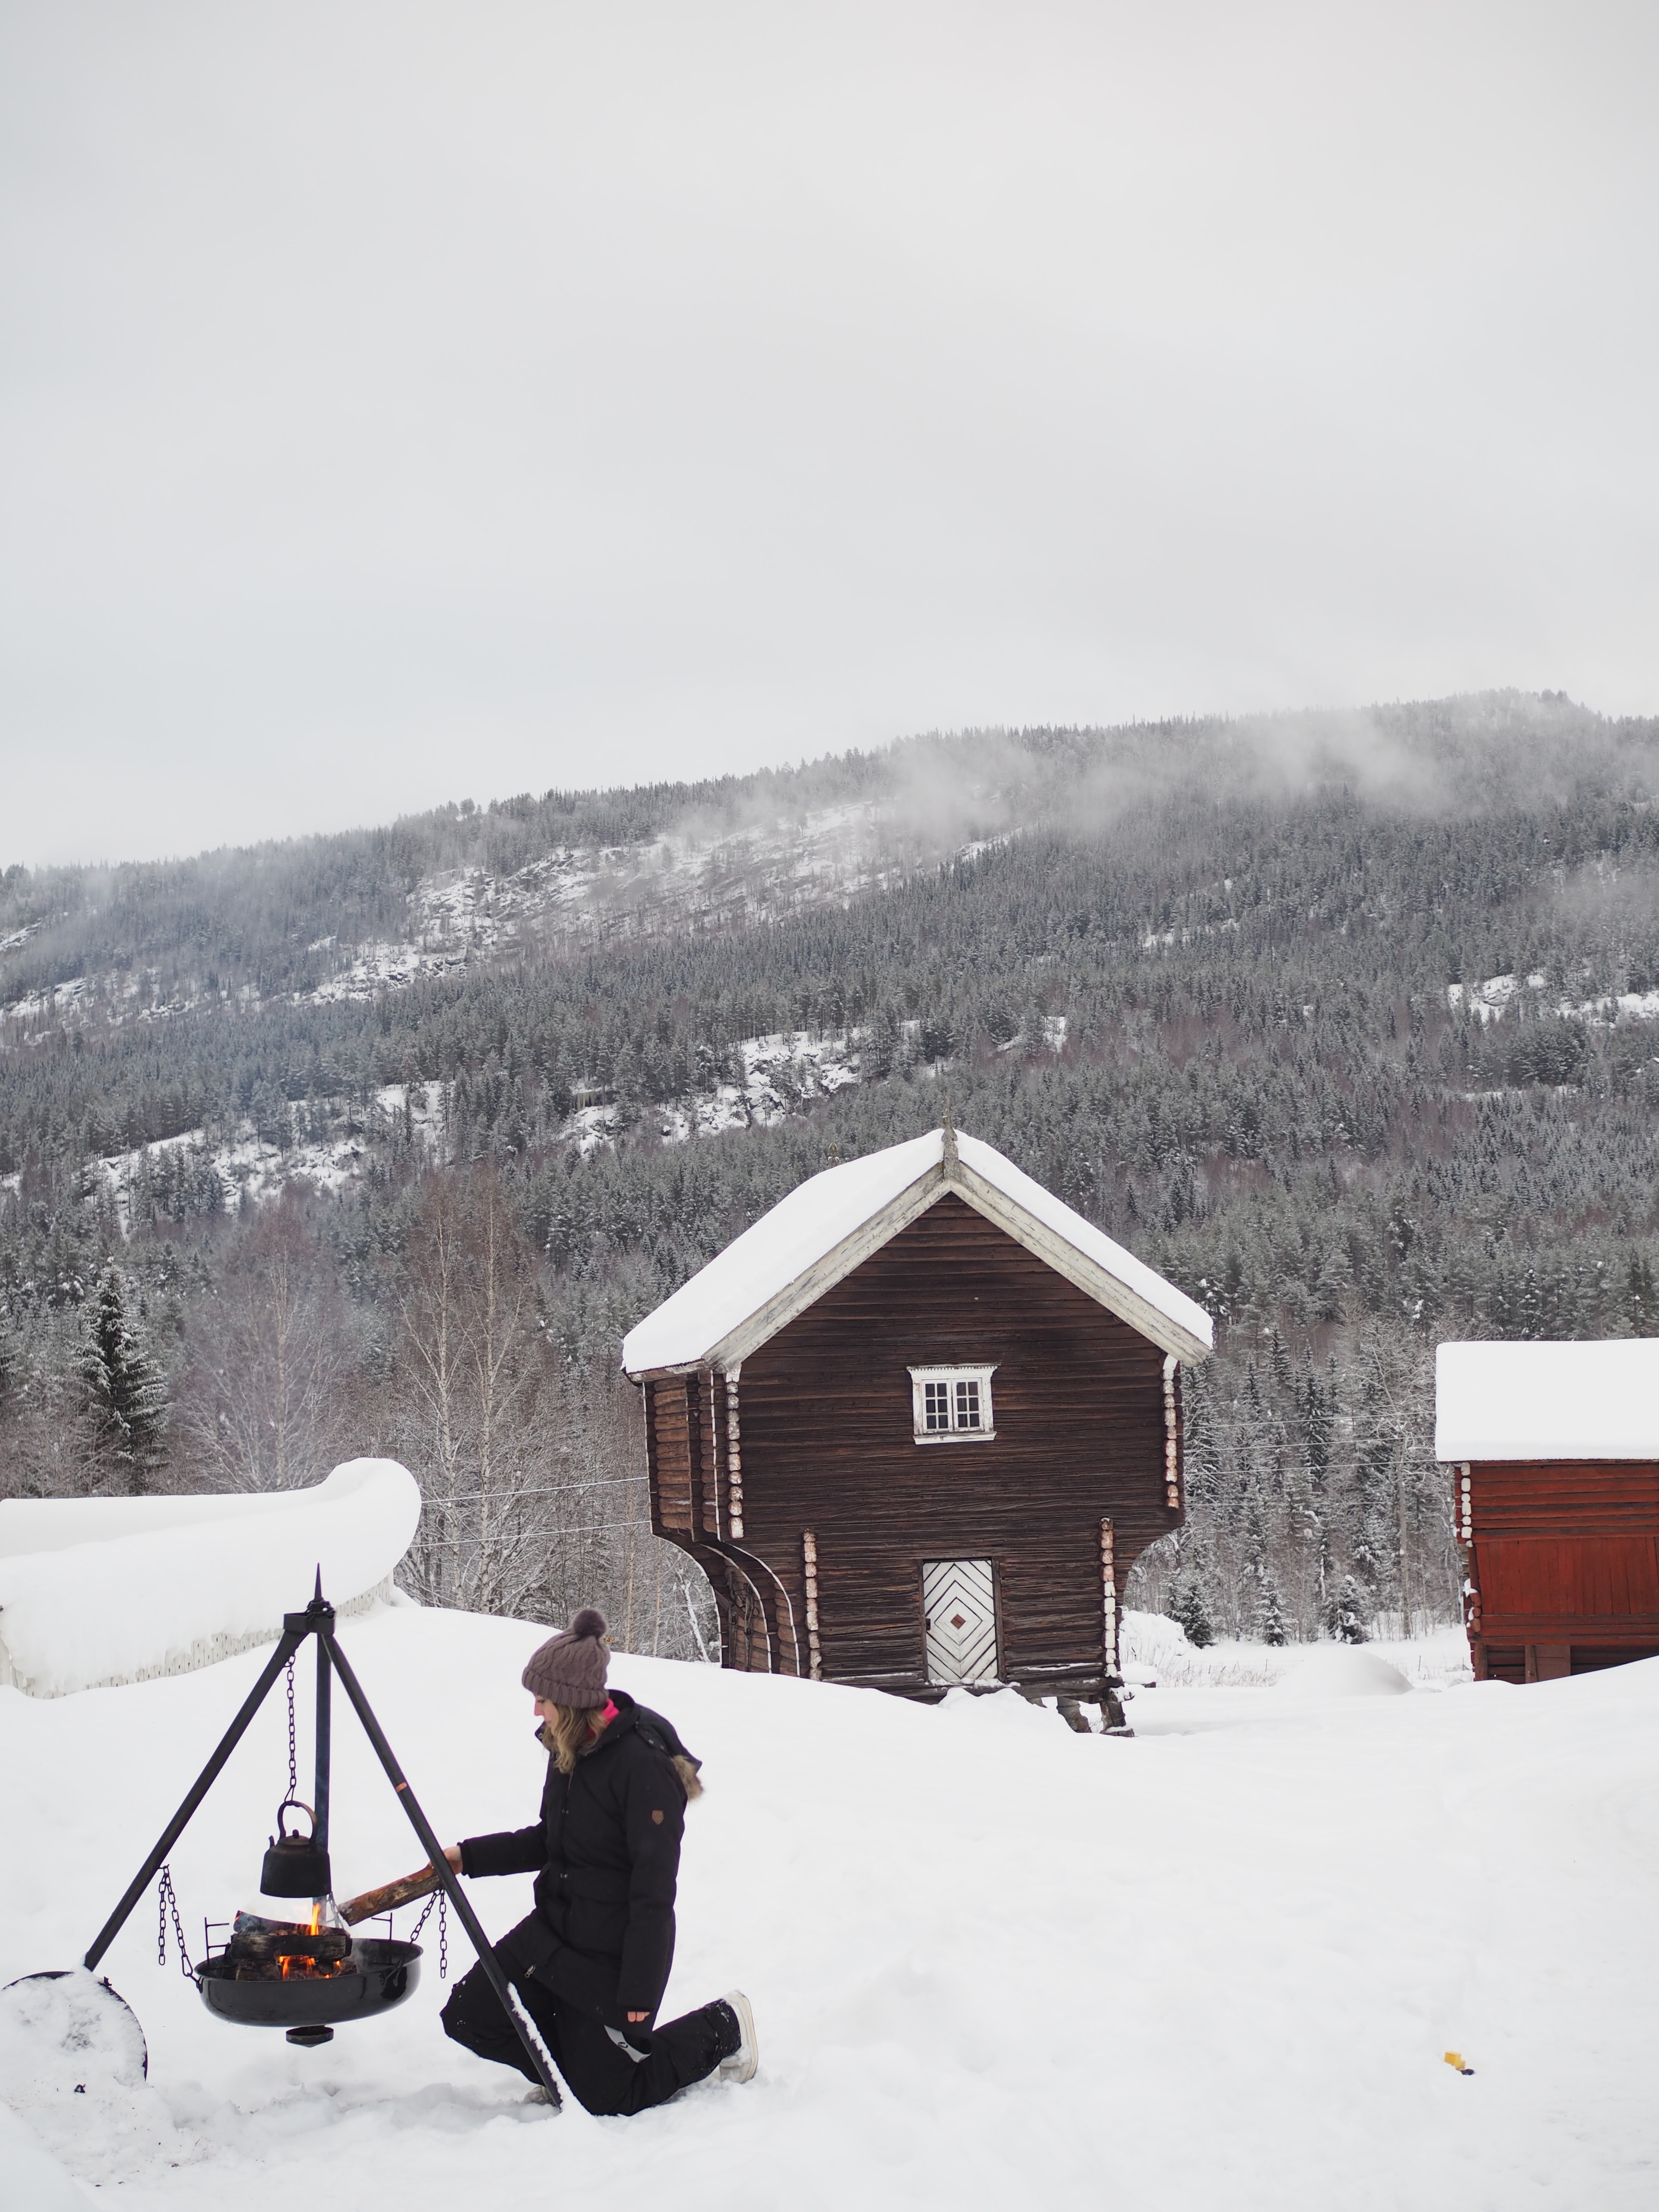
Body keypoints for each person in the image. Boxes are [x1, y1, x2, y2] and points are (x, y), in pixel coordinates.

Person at [437, 1607, 757, 2116]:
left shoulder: (642, 1767)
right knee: (469, 2016)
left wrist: (639, 1993)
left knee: (609, 2097)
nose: (536, 1711)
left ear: (570, 1701)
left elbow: (653, 1894)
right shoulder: (568, 1748)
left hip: (605, 1955)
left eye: (541, 1700)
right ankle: (562, 2071)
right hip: (551, 1933)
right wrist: (466, 1857)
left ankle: (725, 2026)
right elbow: (550, 1841)